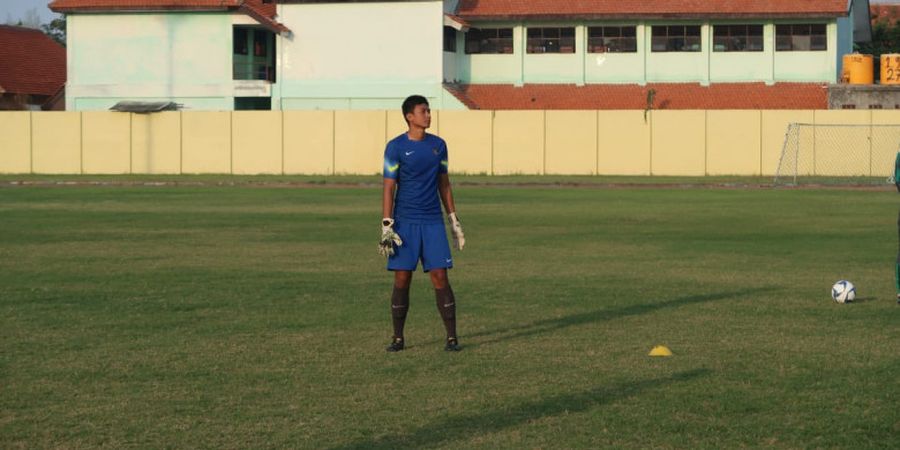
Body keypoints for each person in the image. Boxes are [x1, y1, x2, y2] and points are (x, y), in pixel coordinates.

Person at [379, 95, 466, 352]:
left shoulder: (439, 145)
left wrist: (453, 220)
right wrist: (386, 225)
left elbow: (444, 184)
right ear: (410, 116)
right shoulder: (394, 147)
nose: (428, 115)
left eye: (429, 110)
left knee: (440, 277)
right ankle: (398, 338)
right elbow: (388, 188)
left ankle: (452, 338)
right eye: (423, 111)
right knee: (402, 278)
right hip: (405, 223)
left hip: (432, 223)